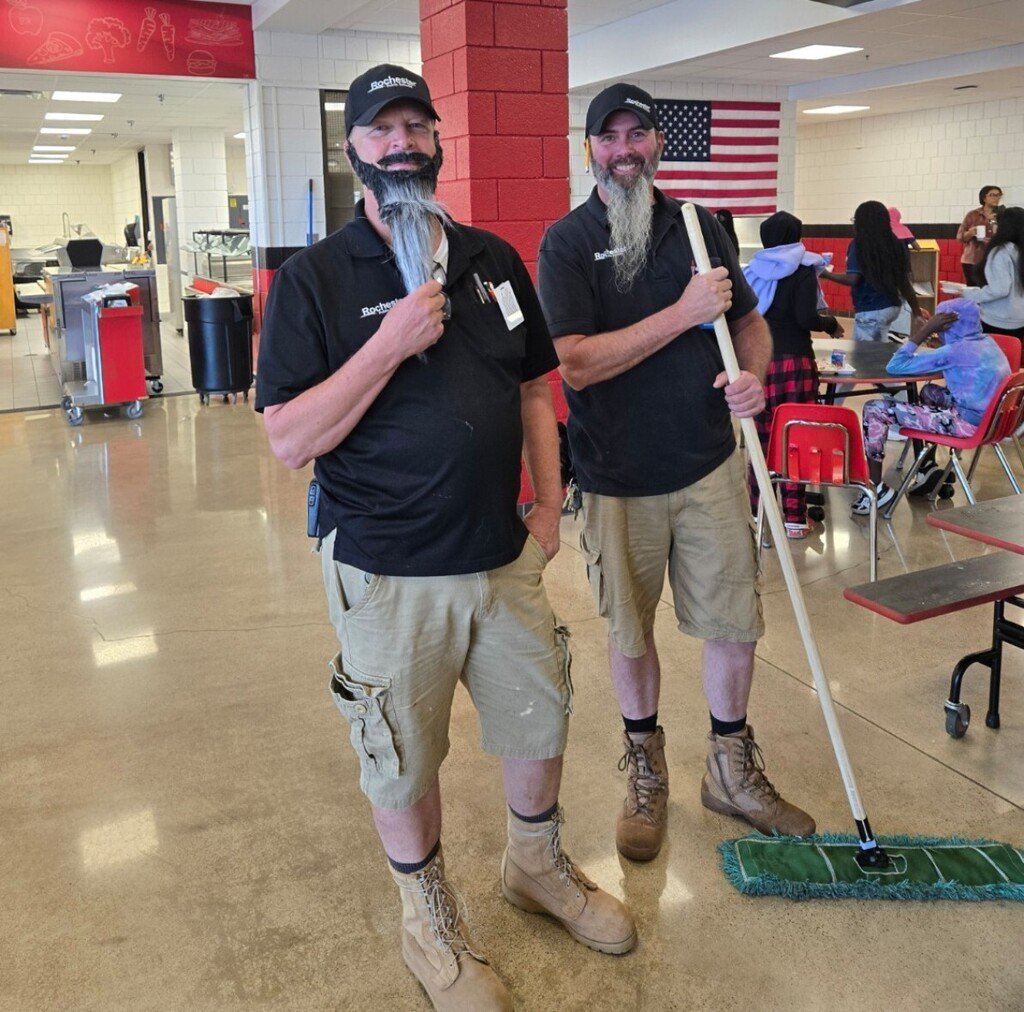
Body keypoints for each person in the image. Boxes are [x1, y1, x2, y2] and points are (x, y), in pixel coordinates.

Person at [255, 65, 635, 1011]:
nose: (402, 143)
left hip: (503, 552)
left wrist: (548, 506)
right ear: (353, 150)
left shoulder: (492, 261)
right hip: (387, 570)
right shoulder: (313, 280)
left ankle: (536, 866)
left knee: (539, 718)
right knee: (402, 756)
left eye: (417, 126)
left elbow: (535, 387)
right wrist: (388, 344)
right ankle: (427, 922)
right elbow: (290, 438)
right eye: (381, 129)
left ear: (438, 142)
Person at [538, 82, 815, 865]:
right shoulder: (567, 243)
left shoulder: (699, 225)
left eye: (638, 135)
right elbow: (575, 364)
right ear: (588, 150)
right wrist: (684, 314)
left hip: (709, 465)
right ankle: (645, 771)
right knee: (630, 631)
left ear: (658, 142)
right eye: (609, 137)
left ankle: (730, 768)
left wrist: (752, 376)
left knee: (734, 621)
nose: (624, 150)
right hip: (617, 477)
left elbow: (748, 321)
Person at [854, 297, 1010, 514]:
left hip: (968, 424)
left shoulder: (955, 351)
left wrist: (925, 331)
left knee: (875, 409)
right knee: (929, 392)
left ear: (946, 324)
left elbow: (896, 365)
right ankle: (926, 466)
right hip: (994, 421)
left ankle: (876, 489)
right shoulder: (987, 343)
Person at [742, 210, 842, 538]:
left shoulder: (752, 271)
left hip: (758, 362)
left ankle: (759, 514)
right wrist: (829, 323)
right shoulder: (802, 270)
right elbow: (805, 318)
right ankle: (795, 519)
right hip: (795, 364)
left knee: (761, 441)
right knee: (796, 440)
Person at [821, 199, 922, 342]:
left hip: (871, 309)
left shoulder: (859, 243)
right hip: (892, 307)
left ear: (861, 222)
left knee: (865, 354)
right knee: (879, 348)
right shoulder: (895, 243)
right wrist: (917, 313)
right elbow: (904, 282)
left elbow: (853, 279)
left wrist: (826, 274)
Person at [961, 204, 1024, 340]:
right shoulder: (1019, 250)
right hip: (1020, 318)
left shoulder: (1000, 252)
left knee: (995, 353)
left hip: (999, 319)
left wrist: (970, 294)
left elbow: (999, 290)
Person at [957, 185, 1002, 285]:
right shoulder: (973, 214)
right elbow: (960, 237)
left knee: (991, 289)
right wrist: (970, 233)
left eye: (998, 195)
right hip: (973, 259)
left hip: (993, 259)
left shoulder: (1002, 215)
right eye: (992, 195)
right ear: (984, 198)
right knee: (974, 289)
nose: (996, 198)